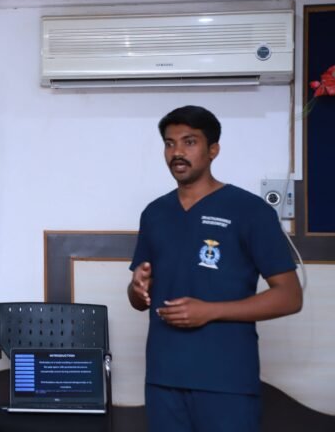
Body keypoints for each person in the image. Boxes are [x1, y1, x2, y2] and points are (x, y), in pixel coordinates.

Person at [128, 105, 302, 432]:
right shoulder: (155, 213)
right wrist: (137, 289)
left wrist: (210, 311)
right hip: (163, 379)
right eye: (169, 143)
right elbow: (138, 301)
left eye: (189, 142)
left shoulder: (250, 210)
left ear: (213, 150)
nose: (177, 152)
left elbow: (290, 297)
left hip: (227, 381)